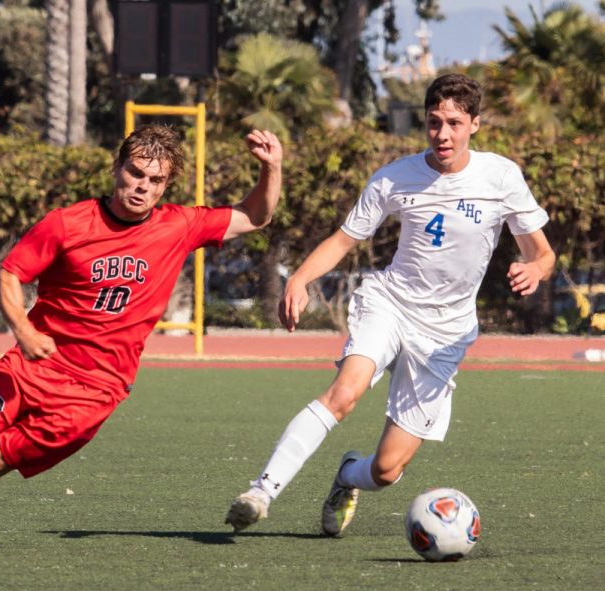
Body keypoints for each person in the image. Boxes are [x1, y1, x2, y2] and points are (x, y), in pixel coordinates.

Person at [0, 124, 283, 548]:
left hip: (91, 394)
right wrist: (23, 331)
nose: (143, 186)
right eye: (136, 172)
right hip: (32, 365)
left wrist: (271, 167)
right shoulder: (68, 223)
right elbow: (10, 274)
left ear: (166, 186)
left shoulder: (178, 225)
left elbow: (255, 215)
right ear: (117, 168)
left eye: (156, 180)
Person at [224, 73, 555, 536]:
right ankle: (260, 492)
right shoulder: (394, 178)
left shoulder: (500, 177)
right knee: (345, 392)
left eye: (455, 123)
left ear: (475, 124)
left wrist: (536, 269)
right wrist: (300, 277)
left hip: (445, 333)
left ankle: (346, 476)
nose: (442, 134)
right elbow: (343, 240)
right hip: (390, 303)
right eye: (434, 121)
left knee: (385, 471)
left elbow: (542, 252)